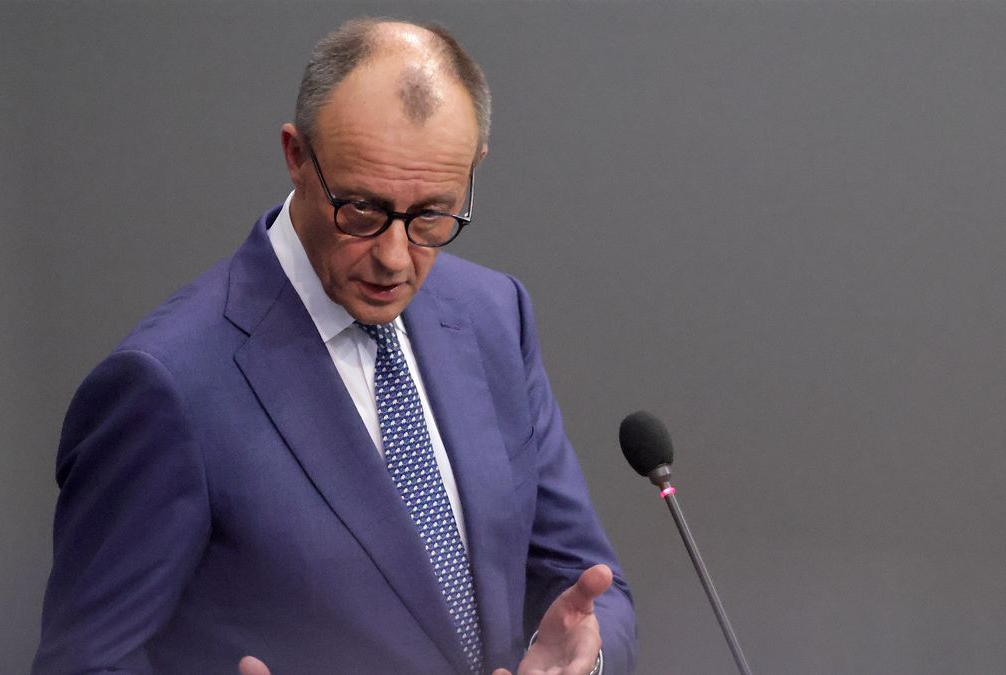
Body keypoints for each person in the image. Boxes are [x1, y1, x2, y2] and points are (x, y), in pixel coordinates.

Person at [33, 17, 637, 675]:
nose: (394, 257)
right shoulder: (167, 385)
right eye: (361, 210)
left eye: (433, 214)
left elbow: (582, 579)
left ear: (474, 169)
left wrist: (588, 651)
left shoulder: (495, 315)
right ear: (296, 155)